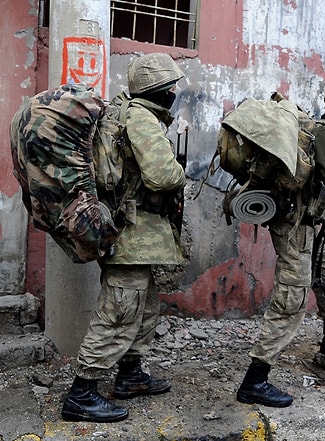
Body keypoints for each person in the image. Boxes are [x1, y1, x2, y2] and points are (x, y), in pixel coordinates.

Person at [61, 52, 187, 423]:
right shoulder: (142, 118)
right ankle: (81, 393)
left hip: (138, 234)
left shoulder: (124, 112)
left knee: (143, 306)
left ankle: (130, 376)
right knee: (119, 310)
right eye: (171, 87)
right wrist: (181, 171)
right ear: (159, 90)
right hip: (131, 234)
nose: (175, 92)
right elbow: (162, 176)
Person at [236, 79, 325, 408]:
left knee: (324, 272)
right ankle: (255, 379)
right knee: (291, 298)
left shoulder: (324, 131)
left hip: (308, 224)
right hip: (296, 225)